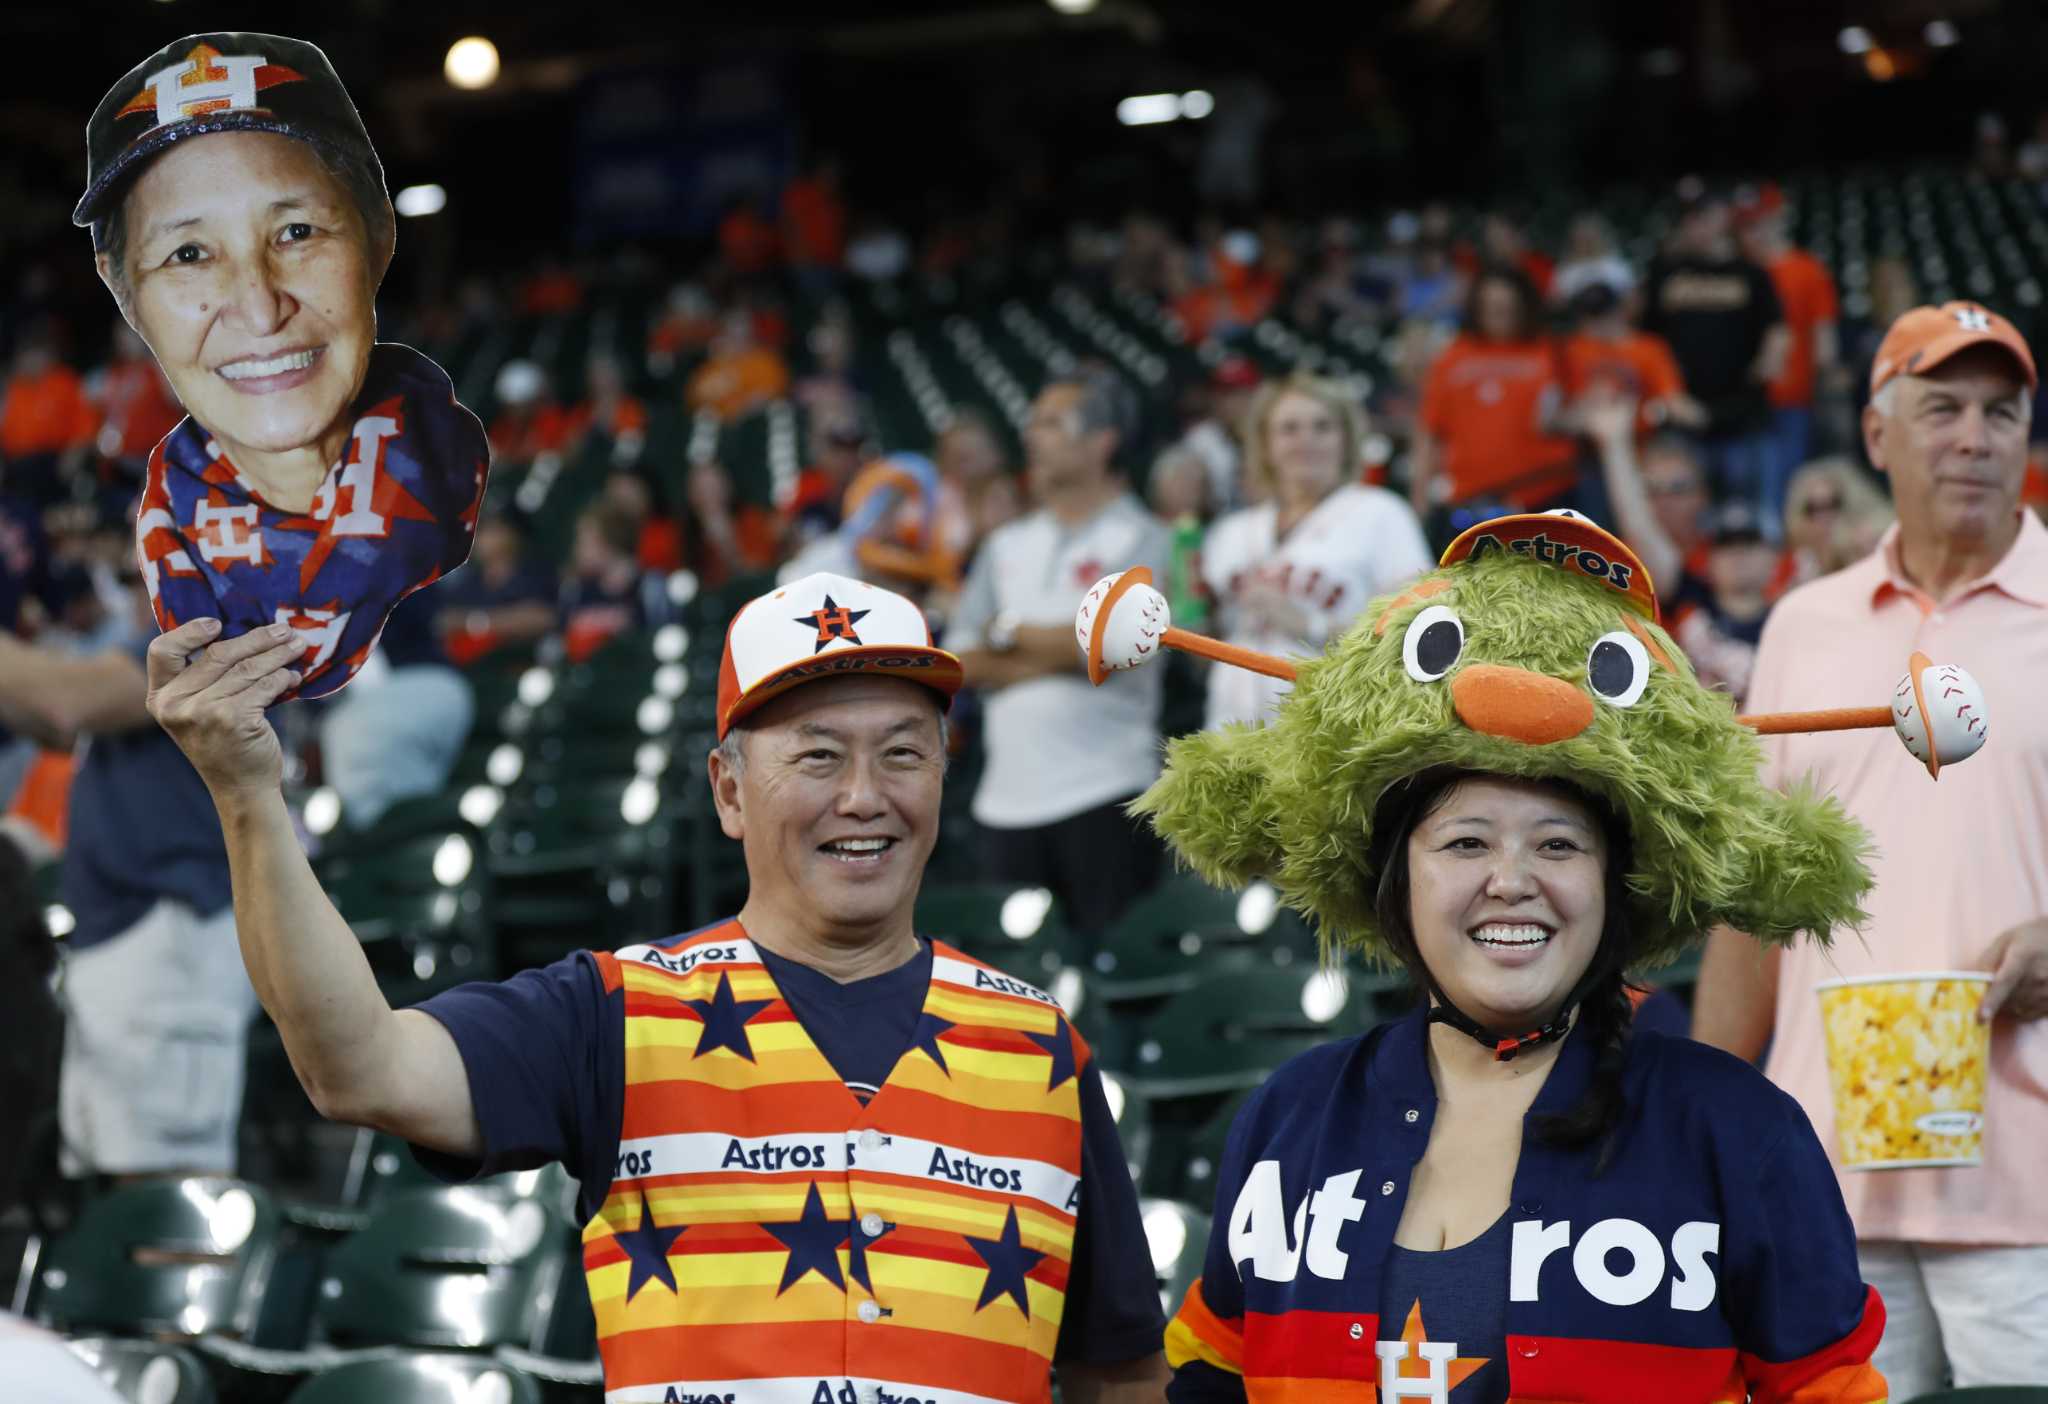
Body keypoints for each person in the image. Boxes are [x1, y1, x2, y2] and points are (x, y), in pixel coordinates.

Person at [140, 570, 1170, 1401]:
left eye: (902, 753)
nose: (865, 795)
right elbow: (355, 1067)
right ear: (728, 791)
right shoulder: (615, 1010)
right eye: (816, 757)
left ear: (943, 775)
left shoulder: (1040, 1048)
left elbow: (1118, 1372)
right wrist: (246, 797)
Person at [1111, 508, 1889, 1402]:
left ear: (1616, 885)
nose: (1511, 881)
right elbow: (1210, 1375)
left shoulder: (1739, 1130)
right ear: (1395, 877)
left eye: (1559, 846)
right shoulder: (1288, 1117)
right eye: (1465, 843)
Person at [1695, 301, 2048, 1395]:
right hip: (1822, 1185)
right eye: (1939, 407)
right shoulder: (1804, 625)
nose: (1972, 437)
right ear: (1875, 436)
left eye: (2000, 411)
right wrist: (1701, 1123)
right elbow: (1754, 893)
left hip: (2028, 1188)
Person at [77, 32, 490, 703]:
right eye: (187, 254)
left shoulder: (473, 504)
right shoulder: (166, 565)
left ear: (379, 234)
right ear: (122, 290)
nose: (260, 309)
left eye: (297, 232)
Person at [0, 544, 251, 1180]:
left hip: (175, 934)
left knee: (168, 1196)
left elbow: (69, 702)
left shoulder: (220, 623)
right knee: (113, 1186)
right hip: (128, 933)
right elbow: (54, 722)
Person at [945, 370, 1174, 941]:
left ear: (1102, 442)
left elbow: (1127, 646)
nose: (1031, 435)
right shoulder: (1005, 545)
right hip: (1005, 800)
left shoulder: (1145, 538)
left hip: (1108, 792)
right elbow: (958, 660)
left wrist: (1008, 633)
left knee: (1110, 969)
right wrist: (1071, 644)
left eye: (1050, 423)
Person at [1201, 372, 1432, 728]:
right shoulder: (1231, 532)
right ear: (1265, 444)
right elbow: (1205, 646)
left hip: (1331, 733)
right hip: (1229, 735)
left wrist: (1310, 622)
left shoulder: (1380, 513)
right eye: (1289, 429)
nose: (1305, 440)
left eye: (1322, 427)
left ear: (1346, 439)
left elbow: (1415, 631)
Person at [1640, 185, 1789, 517]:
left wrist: (1768, 363)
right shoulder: (1664, 272)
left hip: (1744, 415)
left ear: (1721, 219)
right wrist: (1669, 394)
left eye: (1703, 217)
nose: (1696, 227)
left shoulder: (1751, 273)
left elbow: (1776, 332)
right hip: (1684, 416)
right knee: (1688, 518)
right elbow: (1648, 343)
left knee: (1754, 517)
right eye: (1689, 220)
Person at [1409, 266, 1578, 515]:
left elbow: (1582, 410)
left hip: (1544, 492)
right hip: (1472, 500)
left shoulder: (1554, 351)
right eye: (1490, 306)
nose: (1499, 314)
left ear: (1523, 306)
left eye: (1507, 306)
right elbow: (1429, 431)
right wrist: (1418, 503)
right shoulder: (1453, 357)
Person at [1737, 186, 1843, 533]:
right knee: (1746, 495)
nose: (1756, 231)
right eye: (1748, 225)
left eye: (1762, 221)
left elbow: (1825, 342)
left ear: (1779, 219)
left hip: (1792, 399)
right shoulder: (1738, 272)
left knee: (1784, 495)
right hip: (1741, 403)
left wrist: (1823, 389)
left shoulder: (1806, 269)